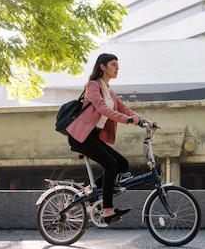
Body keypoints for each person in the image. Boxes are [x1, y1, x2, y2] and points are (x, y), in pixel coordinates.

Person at [65, 53, 156, 224]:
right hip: (80, 136)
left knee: (122, 164)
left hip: (91, 136)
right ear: (102, 66)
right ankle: (107, 210)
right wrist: (128, 121)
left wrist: (145, 122)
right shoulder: (93, 86)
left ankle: (90, 190)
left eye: (117, 65)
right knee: (111, 164)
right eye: (113, 64)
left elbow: (124, 109)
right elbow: (101, 108)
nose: (117, 68)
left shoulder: (110, 91)